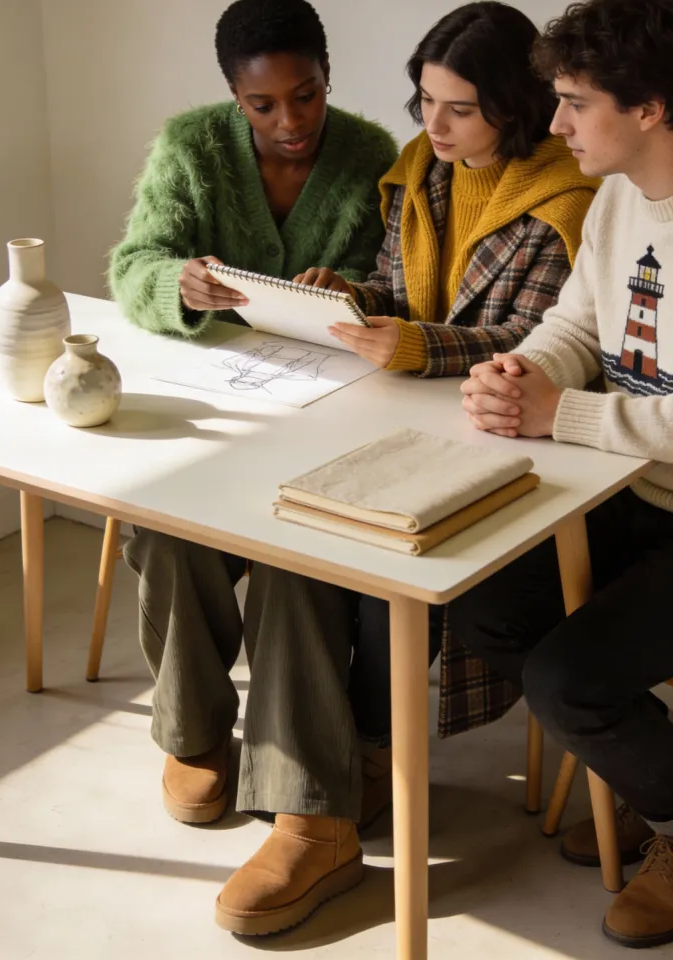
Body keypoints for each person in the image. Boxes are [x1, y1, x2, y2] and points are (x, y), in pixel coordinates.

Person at [257, 0, 597, 827]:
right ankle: (323, 748)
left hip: (505, 436)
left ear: (513, 107)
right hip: (399, 412)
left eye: (457, 107)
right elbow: (406, 295)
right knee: (298, 535)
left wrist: (411, 343)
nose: (432, 123)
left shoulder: (567, 195)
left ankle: (375, 749)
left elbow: (530, 338)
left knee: (383, 572)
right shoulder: (422, 170)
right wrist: (351, 299)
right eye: (424, 100)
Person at [108, 0, 397, 937]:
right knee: (167, 522)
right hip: (223, 397)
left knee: (292, 548)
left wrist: (351, 293)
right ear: (232, 97)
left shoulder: (372, 153)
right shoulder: (190, 148)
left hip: (336, 413)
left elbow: (403, 280)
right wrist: (175, 285)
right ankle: (194, 733)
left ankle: (310, 806)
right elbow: (132, 265)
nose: (288, 121)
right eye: (261, 105)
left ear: (326, 74)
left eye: (304, 95)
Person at [456, 0, 673, 947]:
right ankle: (639, 774)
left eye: (576, 103)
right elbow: (582, 323)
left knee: (569, 680)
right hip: (632, 487)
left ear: (652, 108)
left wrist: (566, 414)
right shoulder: (621, 195)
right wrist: (525, 373)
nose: (554, 125)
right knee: (481, 606)